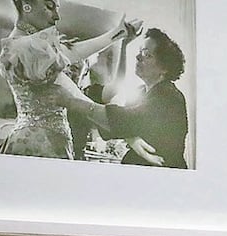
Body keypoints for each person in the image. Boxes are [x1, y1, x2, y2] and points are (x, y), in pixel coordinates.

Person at [0, 0, 136, 159]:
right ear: (27, 6)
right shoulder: (25, 48)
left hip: (44, 138)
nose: (56, 16)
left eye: (57, 8)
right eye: (49, 7)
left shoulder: (28, 45)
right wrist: (124, 130)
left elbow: (72, 52)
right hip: (39, 143)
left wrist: (119, 33)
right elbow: (74, 91)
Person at [61, 28, 189, 168]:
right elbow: (121, 120)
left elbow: (123, 120)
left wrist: (69, 101)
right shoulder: (141, 92)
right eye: (140, 52)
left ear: (164, 67)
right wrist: (130, 137)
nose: (138, 57)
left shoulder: (168, 96)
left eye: (147, 54)